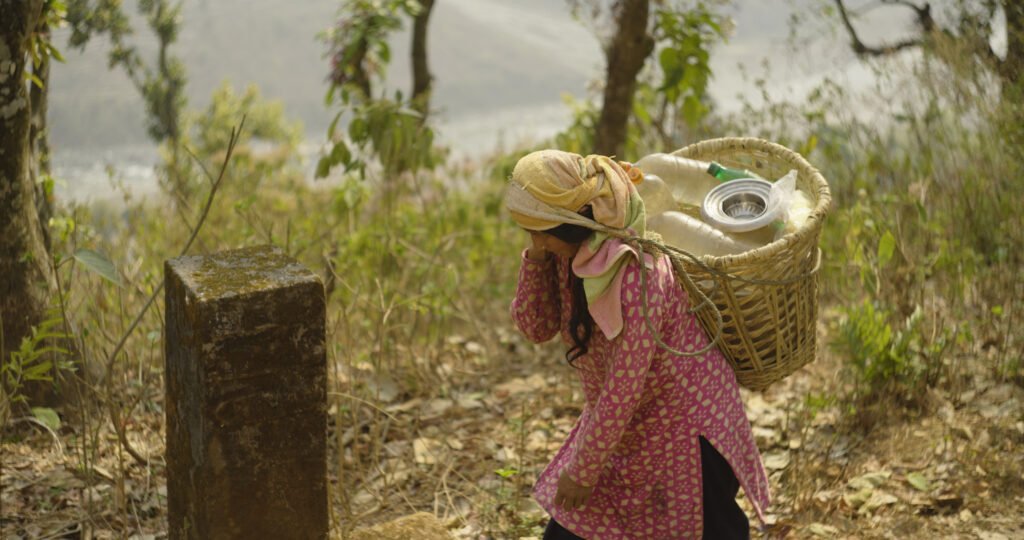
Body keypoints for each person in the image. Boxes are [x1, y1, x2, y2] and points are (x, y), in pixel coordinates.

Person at [506, 150, 770, 540]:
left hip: (687, 429)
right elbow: (535, 326)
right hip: (626, 428)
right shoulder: (568, 256)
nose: (536, 239)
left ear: (571, 223)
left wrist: (582, 471)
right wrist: (537, 255)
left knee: (712, 530)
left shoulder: (639, 273)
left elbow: (624, 388)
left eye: (540, 230)